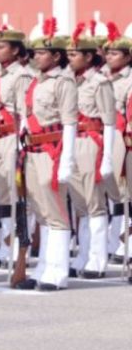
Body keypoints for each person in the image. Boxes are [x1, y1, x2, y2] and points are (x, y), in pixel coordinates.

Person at [20, 27, 78, 292]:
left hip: (51, 151)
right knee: (42, 213)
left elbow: (69, 123)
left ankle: (58, 271)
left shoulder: (63, 82)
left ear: (56, 56)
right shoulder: (35, 81)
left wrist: (66, 161)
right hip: (32, 151)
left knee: (56, 213)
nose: (37, 56)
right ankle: (44, 266)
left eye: (42, 52)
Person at [65, 33, 115, 279]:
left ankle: (97, 259)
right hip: (71, 141)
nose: (70, 58)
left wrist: (107, 157)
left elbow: (109, 121)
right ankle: (83, 256)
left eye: (74, 54)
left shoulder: (99, 82)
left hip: (91, 142)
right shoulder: (68, 80)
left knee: (94, 204)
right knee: (80, 204)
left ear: (88, 56)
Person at [0, 27, 33, 277]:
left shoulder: (21, 77)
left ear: (16, 50)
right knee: (3, 195)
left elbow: (25, 112)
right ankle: (7, 244)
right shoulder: (0, 75)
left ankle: (21, 246)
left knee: (18, 194)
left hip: (12, 137)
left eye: (1, 47)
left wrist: (20, 142)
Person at [103, 31, 132, 267]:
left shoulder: (129, 80)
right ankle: (112, 240)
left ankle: (124, 243)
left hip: (120, 137)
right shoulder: (101, 78)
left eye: (114, 53)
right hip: (100, 134)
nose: (109, 57)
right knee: (107, 190)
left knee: (124, 192)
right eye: (108, 53)